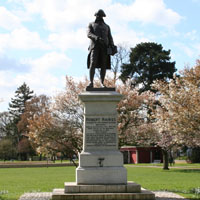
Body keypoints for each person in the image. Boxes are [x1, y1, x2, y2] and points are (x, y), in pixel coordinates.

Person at [87, 9, 117, 88]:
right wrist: (96, 38)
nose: (99, 17)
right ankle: (91, 82)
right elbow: (89, 34)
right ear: (96, 16)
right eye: (98, 15)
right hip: (95, 46)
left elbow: (110, 37)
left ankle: (102, 83)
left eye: (101, 16)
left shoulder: (106, 26)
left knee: (103, 65)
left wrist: (112, 46)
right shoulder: (91, 24)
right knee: (92, 63)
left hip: (104, 48)